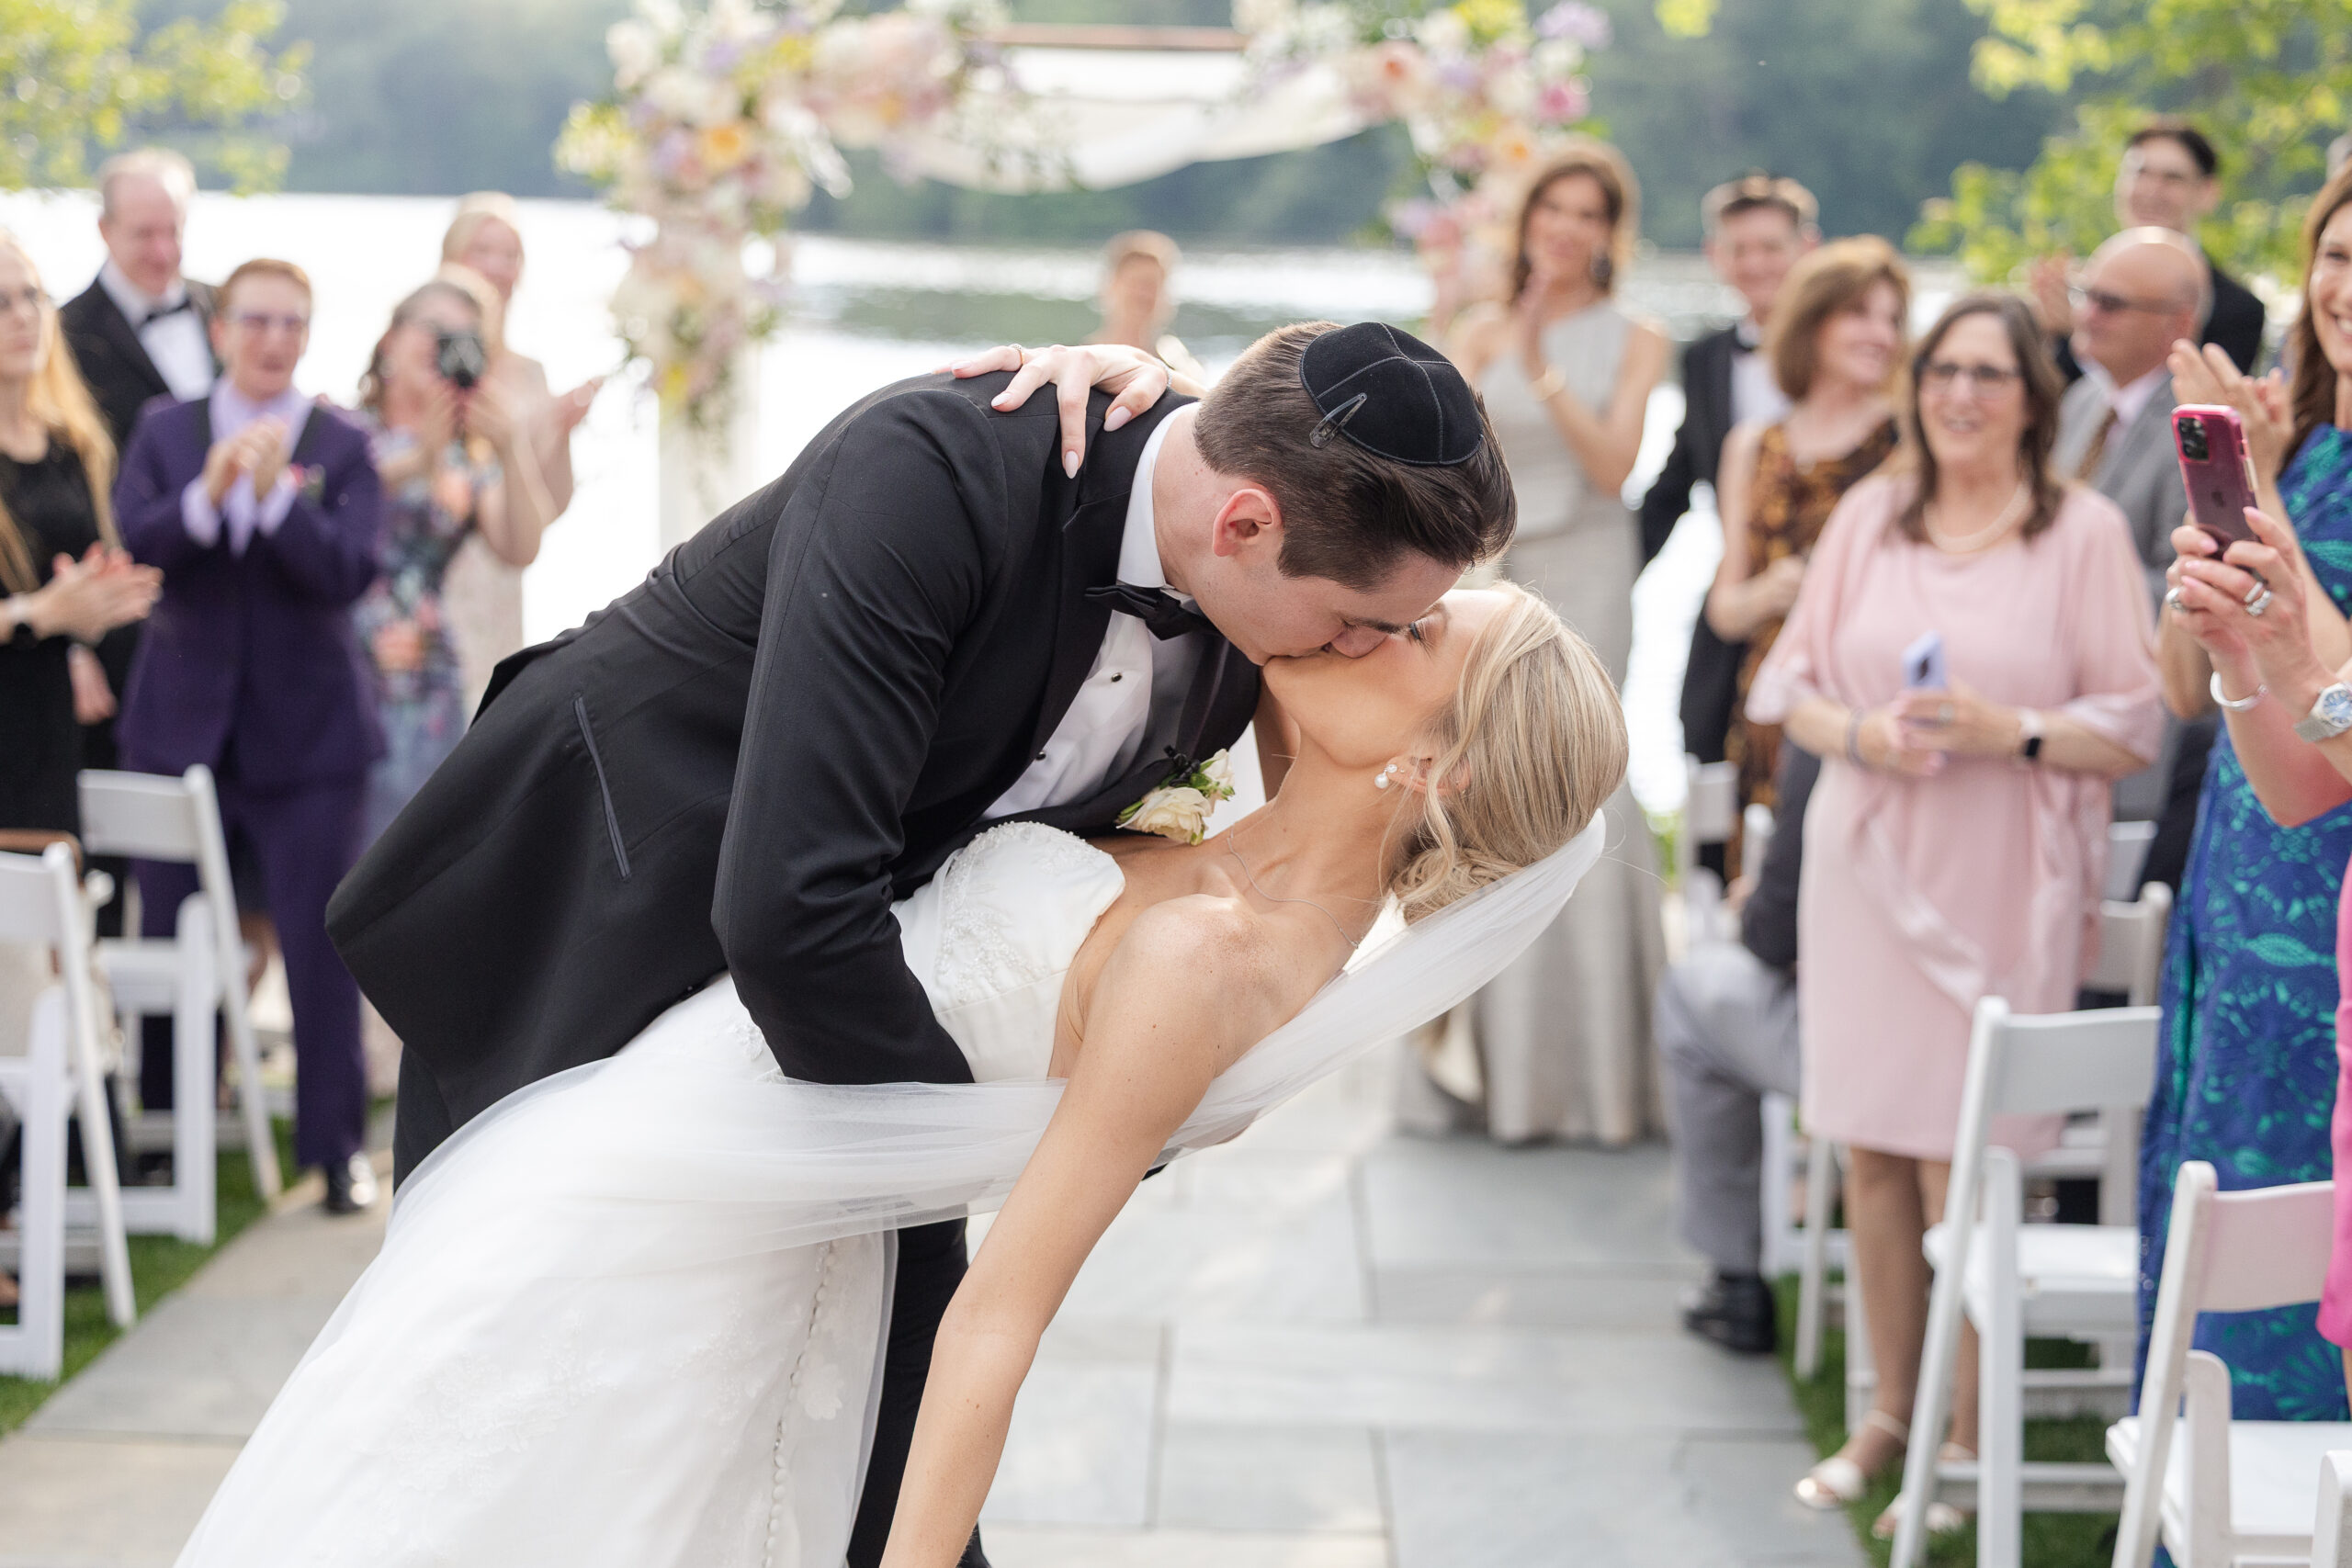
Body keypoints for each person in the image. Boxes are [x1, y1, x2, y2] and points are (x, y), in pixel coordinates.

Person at [323, 321, 1516, 1568]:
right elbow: (795, 909)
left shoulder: (1262, 596)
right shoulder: (932, 473)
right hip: (590, 918)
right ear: (1244, 527)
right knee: (506, 1414)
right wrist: (980, 1158)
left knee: (844, 1460)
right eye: (1355, 623)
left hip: (823, 1039)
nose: (1359, 648)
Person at [177, 574, 1623, 1563]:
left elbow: (999, 1312)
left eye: (1423, 634)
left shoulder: (1218, 960)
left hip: (696, 1254)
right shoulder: (1219, 828)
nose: (1374, 611)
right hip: (631, 1161)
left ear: (1449, 771)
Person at [1746, 292, 2162, 1527]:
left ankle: (1971, 1436)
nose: (1960, 394)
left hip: (2004, 876)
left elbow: (2135, 722)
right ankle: (1889, 1414)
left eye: (1988, 372)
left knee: (1973, 1165)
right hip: (1866, 863)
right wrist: (1861, 730)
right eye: (1942, 370)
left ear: (2033, 395)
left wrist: (2009, 730)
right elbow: (1793, 683)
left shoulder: (2079, 532)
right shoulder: (1873, 513)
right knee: (1871, 1146)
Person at [2137, 162, 2352, 1427]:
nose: (2344, 289)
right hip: (2248, 853)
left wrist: (2267, 541)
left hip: (2327, 902)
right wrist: (2224, 535)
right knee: (2209, 1186)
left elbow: (2329, 670)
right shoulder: (2316, 453)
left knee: (2294, 1226)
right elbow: (2189, 684)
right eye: (2334, 254)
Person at [114, 258, 386, 1215]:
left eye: (293, 324)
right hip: (179, 729)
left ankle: (335, 1148)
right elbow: (138, 544)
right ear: (222, 326)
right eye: (257, 320)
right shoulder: (166, 429)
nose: (275, 339)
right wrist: (212, 492)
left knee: (318, 947)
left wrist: (276, 501)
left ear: (308, 337)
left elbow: (352, 570)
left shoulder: (343, 443)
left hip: (309, 741)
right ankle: (158, 1128)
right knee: (167, 923)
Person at [1704, 237, 1905, 875]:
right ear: (1813, 322)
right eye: (1861, 314)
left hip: (1866, 702)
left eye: (1894, 319)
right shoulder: (1752, 445)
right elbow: (1725, 609)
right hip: (1767, 702)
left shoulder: (1908, 442)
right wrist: (1773, 591)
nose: (1882, 333)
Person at [354, 273, 557, 843]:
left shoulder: (468, 458)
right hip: (346, 666)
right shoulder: (347, 431)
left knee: (408, 855)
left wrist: (512, 445)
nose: (446, 348)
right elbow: (330, 510)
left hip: (424, 680)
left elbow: (520, 546)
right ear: (391, 338)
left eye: (465, 340)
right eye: (434, 332)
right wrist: (419, 458)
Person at [1642, 173, 1819, 776]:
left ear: (1806, 249)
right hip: (1739, 581)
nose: (1756, 263)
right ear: (1716, 257)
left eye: (1771, 246)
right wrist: (1615, 569)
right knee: (1703, 726)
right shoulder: (1706, 358)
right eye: (1740, 249)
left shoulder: (1850, 349)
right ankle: (1715, 867)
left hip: (1828, 587)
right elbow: (1678, 477)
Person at [2052, 228, 2213, 893]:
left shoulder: (2197, 423)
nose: (2087, 313)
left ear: (2177, 324)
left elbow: (2185, 582)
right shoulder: (2082, 400)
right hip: (2060, 720)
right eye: (2085, 293)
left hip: (2145, 743)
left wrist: (2056, 581)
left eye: (2112, 302)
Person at [0, 231, 161, 835]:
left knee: (66, 911)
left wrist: (93, 615)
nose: (22, 318)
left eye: (32, 297)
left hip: (55, 729)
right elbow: (43, 603)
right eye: (1, 303)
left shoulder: (74, 444)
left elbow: (76, 575)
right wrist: (39, 615)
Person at [1660, 741, 1816, 1354]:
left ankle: (1736, 1280)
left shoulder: (1837, 730)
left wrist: (1757, 906)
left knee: (1691, 993)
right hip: (2058, 1053)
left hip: (1868, 1055)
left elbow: (1773, 936)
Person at [436, 194, 596, 707]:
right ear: (452, 257)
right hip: (441, 565)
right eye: (483, 250)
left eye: (510, 254)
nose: (498, 267)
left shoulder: (530, 372)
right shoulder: (426, 356)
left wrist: (561, 432)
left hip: (502, 572)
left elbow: (547, 506)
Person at [2032, 118, 2267, 379]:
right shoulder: (2079, 293)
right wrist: (2061, 338)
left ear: (2207, 192)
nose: (2152, 191)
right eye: (2140, 173)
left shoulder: (2237, 309)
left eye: (2172, 178)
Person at [57, 149, 217, 455]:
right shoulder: (64, 332)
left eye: (173, 231)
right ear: (105, 230)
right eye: (144, 234)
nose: (162, 252)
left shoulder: (225, 306)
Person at [1090, 230, 1204, 381]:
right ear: (1111, 286)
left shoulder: (1182, 366)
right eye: (1134, 283)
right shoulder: (1077, 357)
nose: (1142, 294)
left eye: (1151, 285)